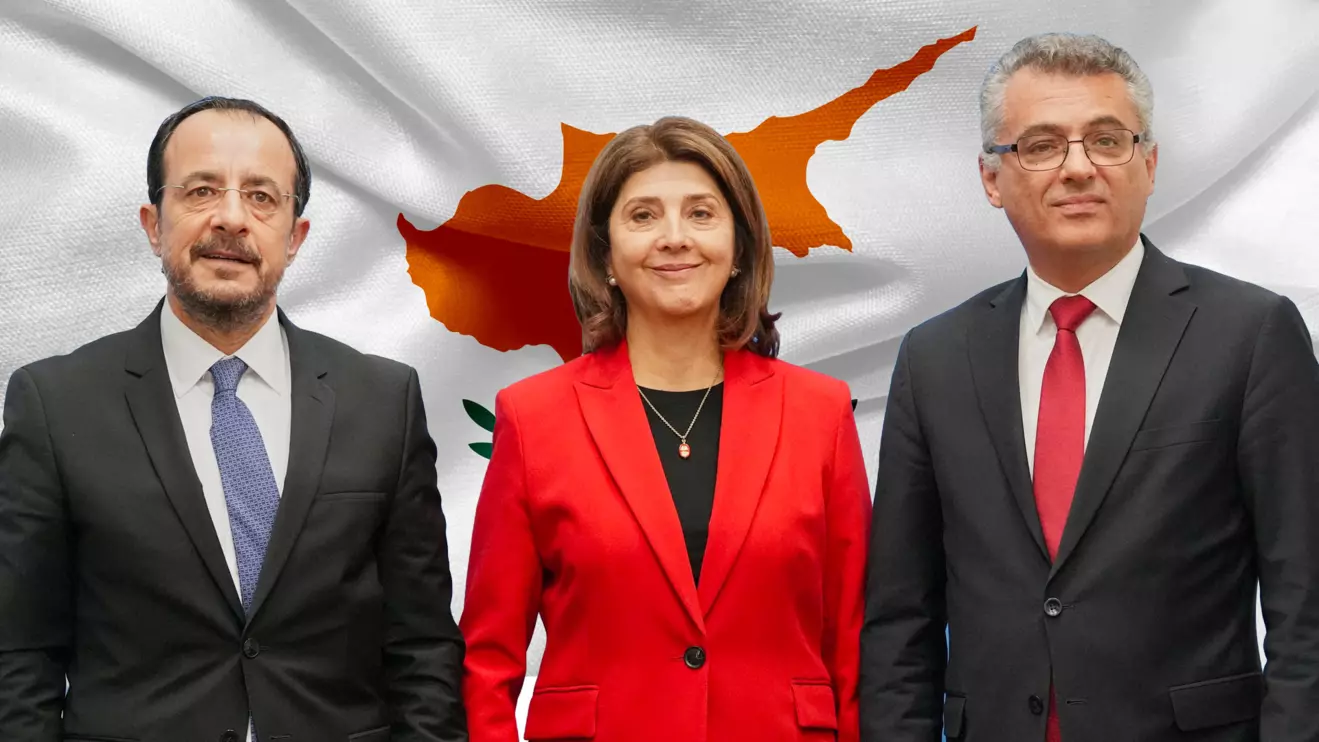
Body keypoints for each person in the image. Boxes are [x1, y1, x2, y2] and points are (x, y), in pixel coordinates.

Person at [859, 32, 1319, 741]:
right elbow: (900, 619)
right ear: (991, 179)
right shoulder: (935, 359)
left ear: (1149, 163)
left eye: (1106, 140)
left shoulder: (1250, 334)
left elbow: (1305, 600)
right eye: (1041, 146)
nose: (1078, 168)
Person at [0, 97, 468, 741]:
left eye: (261, 197)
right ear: (153, 224)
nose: (231, 218)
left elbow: (422, 646)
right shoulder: (55, 404)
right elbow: (20, 652)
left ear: (295, 237)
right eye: (200, 191)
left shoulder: (383, 400)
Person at [459, 115, 871, 741]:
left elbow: (855, 643)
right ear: (605, 255)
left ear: (739, 248)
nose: (674, 238)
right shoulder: (533, 418)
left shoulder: (821, 413)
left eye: (701, 213)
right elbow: (487, 663)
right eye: (643, 216)